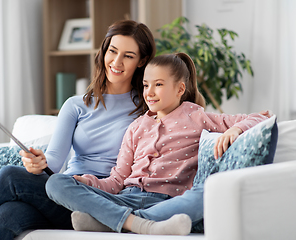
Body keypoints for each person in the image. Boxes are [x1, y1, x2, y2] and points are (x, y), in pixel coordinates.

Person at [0, 20, 156, 240]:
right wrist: (38, 163)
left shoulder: (148, 107)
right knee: (9, 215)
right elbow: (54, 161)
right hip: (64, 192)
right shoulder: (76, 105)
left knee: (10, 176)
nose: (117, 61)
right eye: (113, 51)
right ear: (104, 51)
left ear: (141, 61)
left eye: (128, 56)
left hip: (103, 201)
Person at [46, 53, 268, 235]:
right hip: (124, 199)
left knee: (207, 193)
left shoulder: (196, 116)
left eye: (158, 85)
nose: (149, 93)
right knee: (55, 183)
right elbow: (116, 181)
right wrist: (89, 182)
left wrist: (236, 129)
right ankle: (142, 225)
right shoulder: (135, 127)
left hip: (167, 201)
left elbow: (263, 116)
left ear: (180, 89)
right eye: (145, 85)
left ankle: (113, 223)